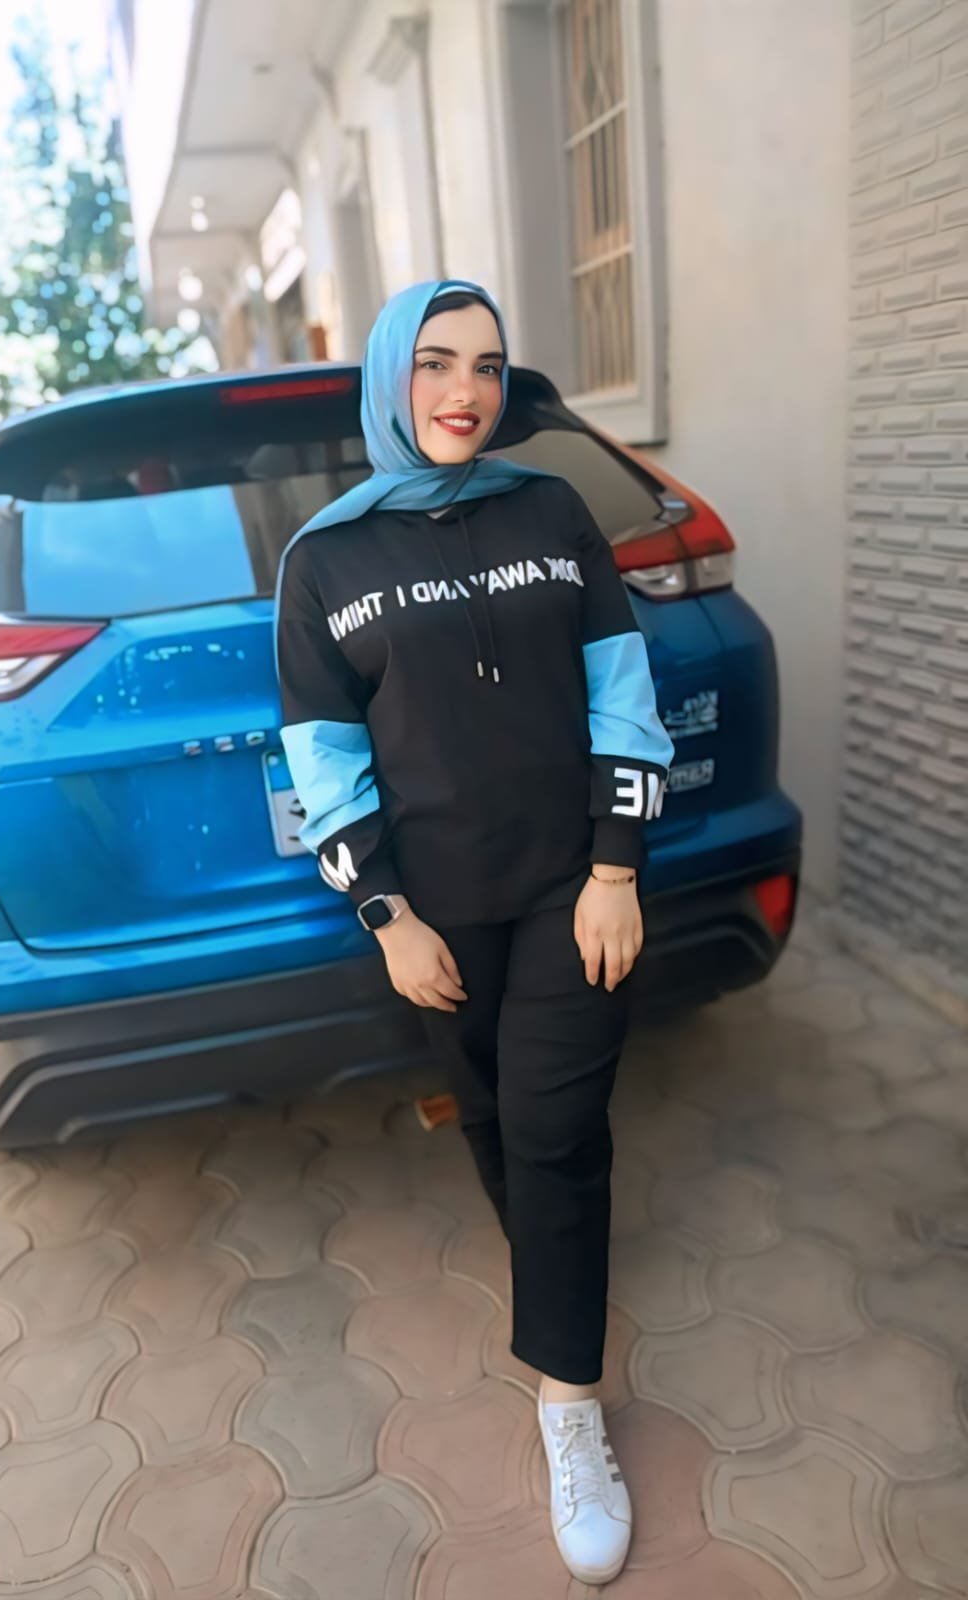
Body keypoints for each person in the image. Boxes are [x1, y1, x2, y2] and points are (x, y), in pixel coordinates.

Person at [273, 278, 673, 1585]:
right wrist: (386, 916)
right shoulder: (324, 561)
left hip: (571, 890)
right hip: (435, 919)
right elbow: (324, 761)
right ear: (391, 377)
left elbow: (624, 695)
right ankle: (551, 1265)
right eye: (438, 362)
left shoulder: (551, 511)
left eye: (490, 366)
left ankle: (569, 1405)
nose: (466, 390)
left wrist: (615, 869)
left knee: (557, 1131)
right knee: (497, 1114)